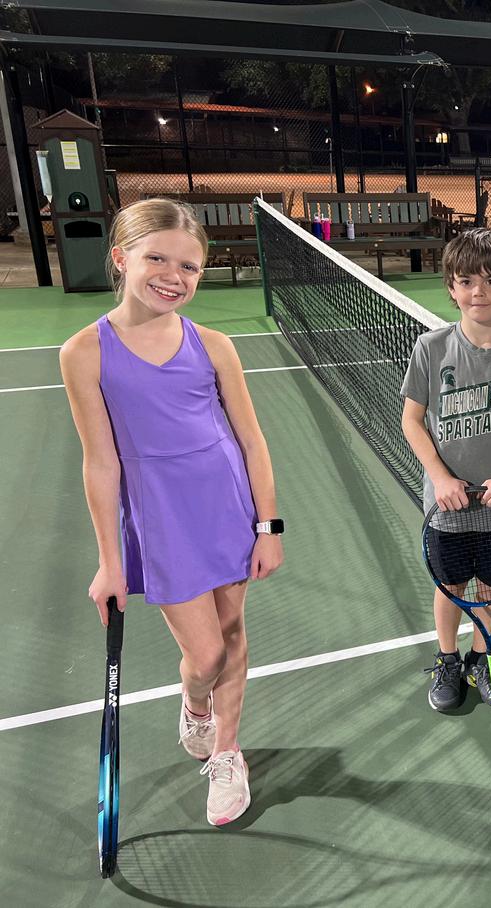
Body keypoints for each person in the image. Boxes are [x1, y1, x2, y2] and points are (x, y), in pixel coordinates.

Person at [60, 198, 284, 827]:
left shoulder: (214, 345)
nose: (173, 276)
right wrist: (110, 564)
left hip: (227, 508)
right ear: (120, 257)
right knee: (205, 655)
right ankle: (195, 702)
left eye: (188, 266)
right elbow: (100, 464)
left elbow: (252, 442)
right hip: (160, 522)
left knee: (233, 635)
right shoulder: (84, 352)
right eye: (156, 258)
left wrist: (267, 526)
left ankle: (227, 752)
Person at [401, 228, 491, 712]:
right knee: (450, 587)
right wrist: (441, 479)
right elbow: (412, 420)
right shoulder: (431, 348)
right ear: (451, 287)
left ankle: (481, 659)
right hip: (446, 506)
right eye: (465, 281)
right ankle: (448, 660)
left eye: (490, 281)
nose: (477, 292)